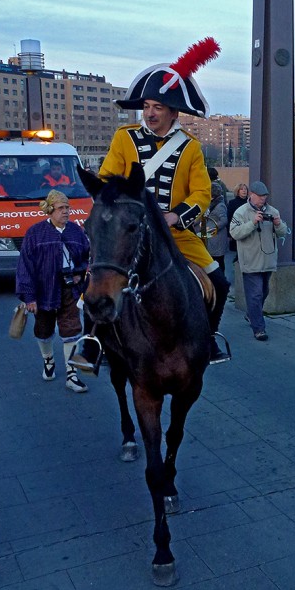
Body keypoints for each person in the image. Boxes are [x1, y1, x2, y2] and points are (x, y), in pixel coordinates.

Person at [97, 37, 230, 364]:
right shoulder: (124, 139)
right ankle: (93, 342)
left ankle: (208, 339)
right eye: (147, 106)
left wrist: (175, 217)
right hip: (128, 231)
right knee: (96, 278)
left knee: (220, 283)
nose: (150, 113)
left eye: (158, 107)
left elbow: (201, 193)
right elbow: (106, 179)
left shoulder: (191, 147)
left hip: (177, 236)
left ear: (173, 112)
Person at [16, 190, 91, 393]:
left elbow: (86, 257)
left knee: (72, 329)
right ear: (50, 210)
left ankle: (71, 375)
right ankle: (48, 360)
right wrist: (29, 296)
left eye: (67, 208)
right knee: (43, 329)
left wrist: (79, 273)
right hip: (44, 289)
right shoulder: (35, 233)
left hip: (70, 289)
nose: (66, 212)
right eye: (61, 208)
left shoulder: (76, 231)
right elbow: (25, 266)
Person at [229, 180, 288, 341]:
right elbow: (234, 233)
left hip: (268, 259)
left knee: (264, 292)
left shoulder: (273, 210)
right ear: (251, 195)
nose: (263, 199)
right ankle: (259, 328)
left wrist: (278, 223)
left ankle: (251, 314)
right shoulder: (241, 212)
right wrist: (253, 222)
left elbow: (283, 233)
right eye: (260, 196)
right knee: (254, 295)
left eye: (265, 196)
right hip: (250, 260)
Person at [202, 180, 229, 274]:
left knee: (218, 262)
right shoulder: (210, 204)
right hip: (210, 237)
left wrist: (213, 227)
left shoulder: (220, 206)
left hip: (217, 238)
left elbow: (224, 220)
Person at [226, 183, 249, 269]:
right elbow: (229, 218)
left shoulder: (249, 203)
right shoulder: (232, 203)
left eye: (245, 189)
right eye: (242, 189)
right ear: (237, 191)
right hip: (236, 230)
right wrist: (230, 233)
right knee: (238, 251)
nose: (244, 191)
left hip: (247, 229)